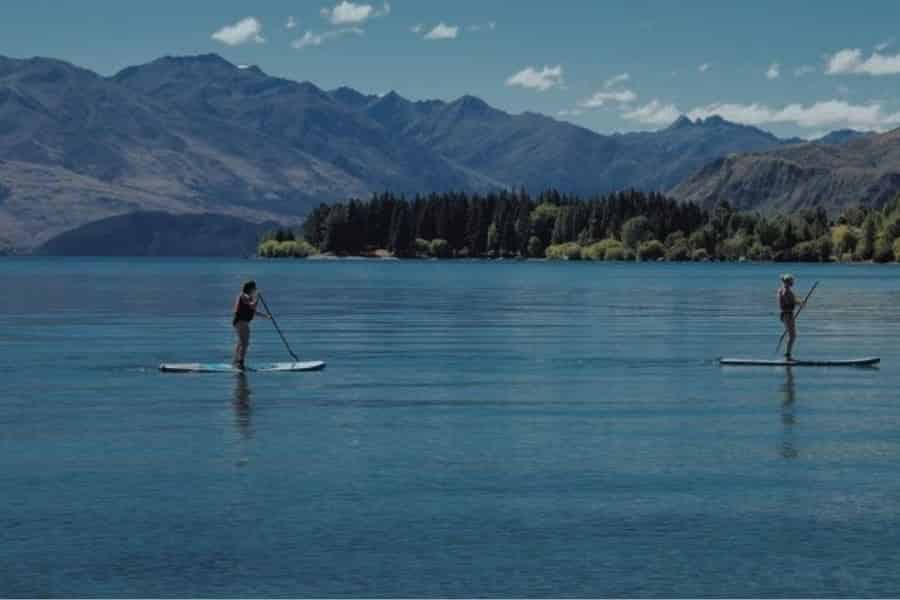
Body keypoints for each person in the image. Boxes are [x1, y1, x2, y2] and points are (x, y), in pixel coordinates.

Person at [232, 280, 271, 370]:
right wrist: (257, 297)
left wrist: (265, 316)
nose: (255, 290)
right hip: (240, 322)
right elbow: (253, 306)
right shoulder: (243, 296)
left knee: (241, 342)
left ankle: (235, 361)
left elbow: (253, 311)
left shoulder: (248, 297)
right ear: (250, 288)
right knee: (244, 343)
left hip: (243, 322)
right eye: (254, 288)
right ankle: (240, 363)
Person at [777, 274, 804, 361]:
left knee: (792, 335)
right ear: (788, 282)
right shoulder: (786, 291)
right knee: (792, 335)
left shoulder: (782, 290)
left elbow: (792, 301)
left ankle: (787, 354)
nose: (793, 282)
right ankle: (787, 355)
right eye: (791, 281)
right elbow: (789, 302)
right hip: (787, 315)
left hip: (787, 314)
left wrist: (799, 302)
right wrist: (799, 303)